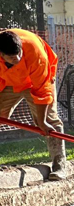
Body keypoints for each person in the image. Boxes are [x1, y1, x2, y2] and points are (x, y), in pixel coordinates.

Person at [0, 29, 66, 180]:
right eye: (11, 57)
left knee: (49, 121)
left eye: (19, 54)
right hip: (7, 81)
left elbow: (42, 92)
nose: (17, 58)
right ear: (1, 55)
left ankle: (59, 166)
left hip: (35, 80)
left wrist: (41, 122)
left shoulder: (35, 53)